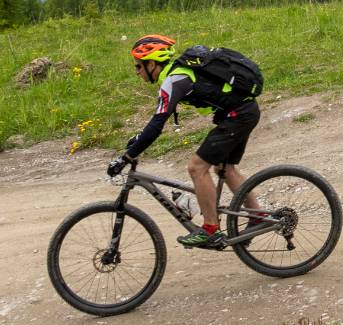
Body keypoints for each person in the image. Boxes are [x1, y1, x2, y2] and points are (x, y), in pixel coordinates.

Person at [108, 34, 262, 249]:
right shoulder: (177, 75)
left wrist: (126, 157)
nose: (137, 72)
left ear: (152, 63)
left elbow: (157, 124)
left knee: (196, 168)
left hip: (238, 116)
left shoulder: (175, 80)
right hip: (243, 111)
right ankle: (258, 216)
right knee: (224, 168)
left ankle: (210, 230)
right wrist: (138, 141)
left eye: (138, 67)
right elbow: (157, 120)